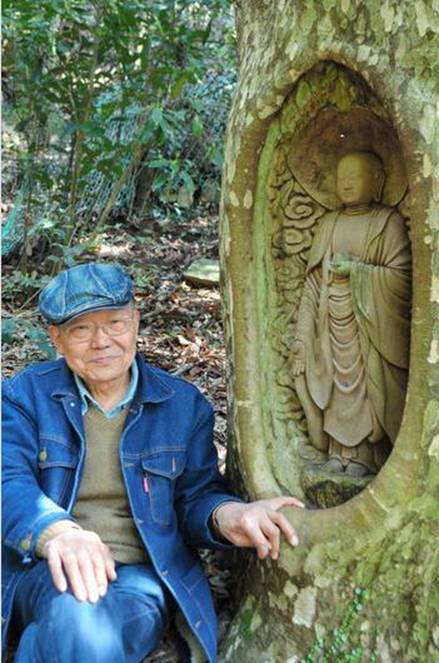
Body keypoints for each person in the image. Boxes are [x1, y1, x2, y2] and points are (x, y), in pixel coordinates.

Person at [2, 262, 304, 663]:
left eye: (115, 323)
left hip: (139, 578)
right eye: (81, 329)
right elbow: (8, 481)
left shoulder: (182, 405)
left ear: (136, 323)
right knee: (77, 616)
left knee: (77, 635)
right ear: (56, 339)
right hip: (42, 569)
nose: (102, 341)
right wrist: (58, 533)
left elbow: (196, 497)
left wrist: (227, 514)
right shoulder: (25, 396)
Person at [293, 151, 411, 477]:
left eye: (355, 176)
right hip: (330, 326)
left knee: (369, 389)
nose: (345, 183)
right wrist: (303, 338)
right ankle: (339, 452)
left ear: (377, 182)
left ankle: (366, 456)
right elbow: (314, 283)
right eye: (341, 176)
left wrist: (358, 272)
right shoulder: (329, 222)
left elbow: (402, 278)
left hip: (370, 328)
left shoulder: (387, 222)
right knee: (334, 389)